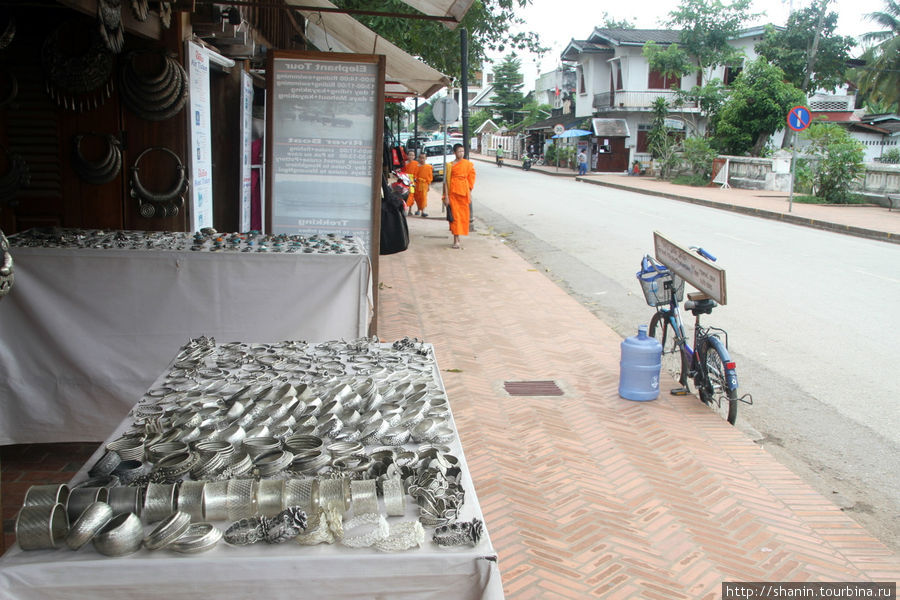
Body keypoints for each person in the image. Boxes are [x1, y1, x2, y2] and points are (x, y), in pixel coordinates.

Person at [442, 143, 475, 250]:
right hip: (453, 194)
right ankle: (456, 239)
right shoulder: (449, 165)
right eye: (459, 151)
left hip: (463, 195)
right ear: (454, 152)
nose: (461, 153)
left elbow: (471, 179)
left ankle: (458, 237)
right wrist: (446, 196)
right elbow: (446, 182)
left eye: (462, 151)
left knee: (462, 217)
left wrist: (467, 189)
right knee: (454, 218)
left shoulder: (468, 164)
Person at [413, 152, 432, 217]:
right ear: (418, 158)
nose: (422, 159)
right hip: (417, 183)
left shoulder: (428, 167)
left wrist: (429, 185)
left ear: (426, 158)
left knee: (423, 197)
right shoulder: (416, 167)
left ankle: (423, 211)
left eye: (423, 158)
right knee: (417, 197)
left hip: (424, 184)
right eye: (420, 158)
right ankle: (418, 209)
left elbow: (430, 177)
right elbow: (414, 175)